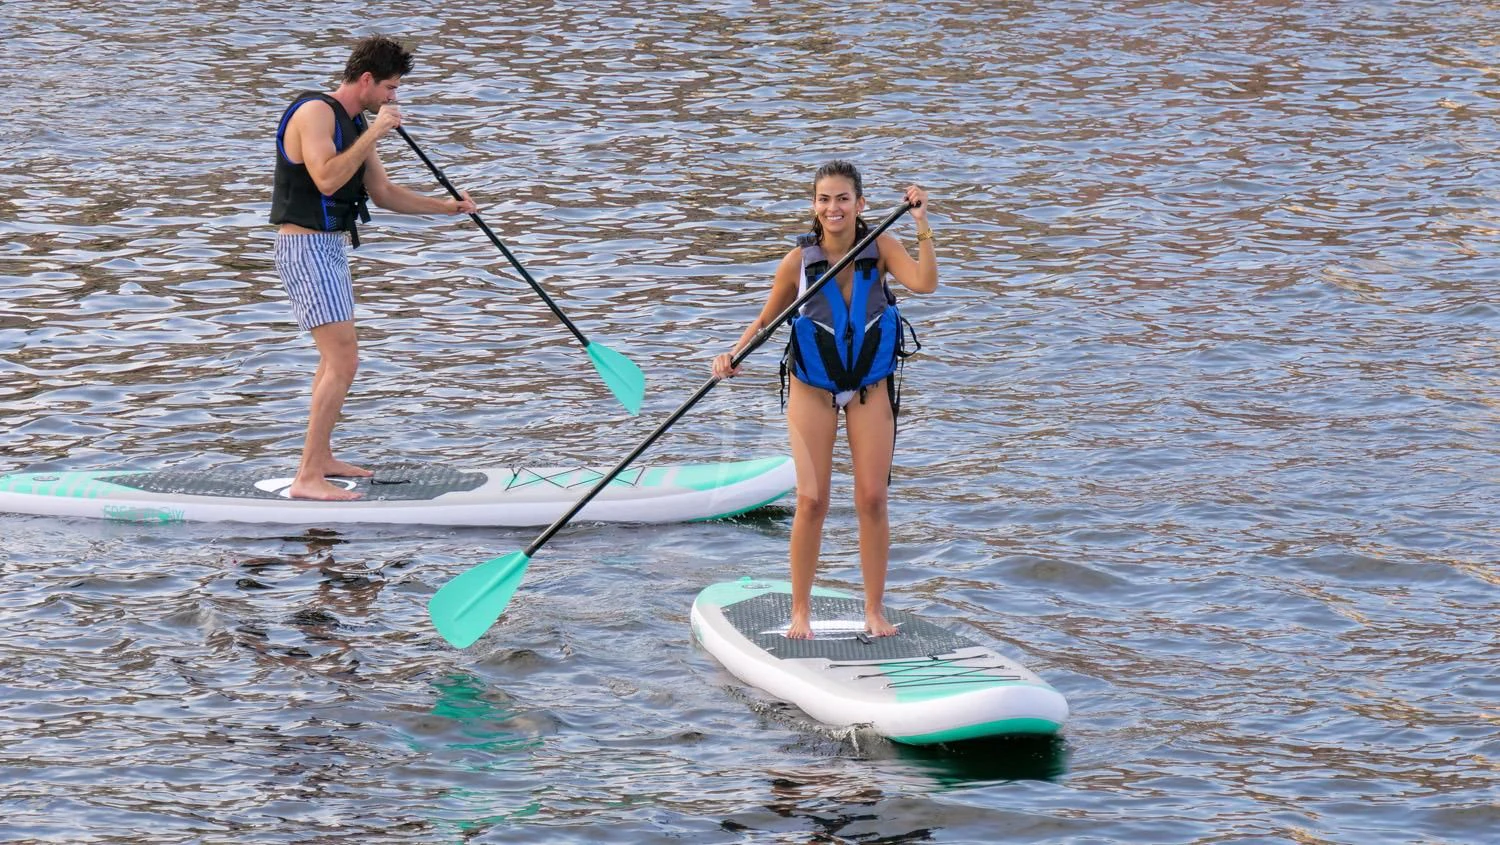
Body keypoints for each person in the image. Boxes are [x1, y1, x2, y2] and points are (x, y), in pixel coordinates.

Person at [713, 161, 938, 638]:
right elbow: (766, 319)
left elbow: (924, 284)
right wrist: (732, 353)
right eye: (824, 199)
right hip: (811, 387)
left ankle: (874, 612)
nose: (833, 208)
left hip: (869, 387)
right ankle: (800, 613)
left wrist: (921, 224)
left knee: (873, 498)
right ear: (814, 206)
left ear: (861, 204)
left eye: (842, 199)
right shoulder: (799, 262)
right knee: (812, 499)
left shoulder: (881, 248)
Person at [270, 35, 477, 501]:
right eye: (389, 87)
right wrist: (376, 132)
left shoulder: (354, 121)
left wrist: (447, 208)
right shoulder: (315, 113)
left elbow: (383, 194)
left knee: (334, 360)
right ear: (366, 80)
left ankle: (320, 459)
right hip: (303, 248)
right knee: (345, 359)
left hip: (328, 249)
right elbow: (326, 179)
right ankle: (306, 478)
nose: (393, 98)